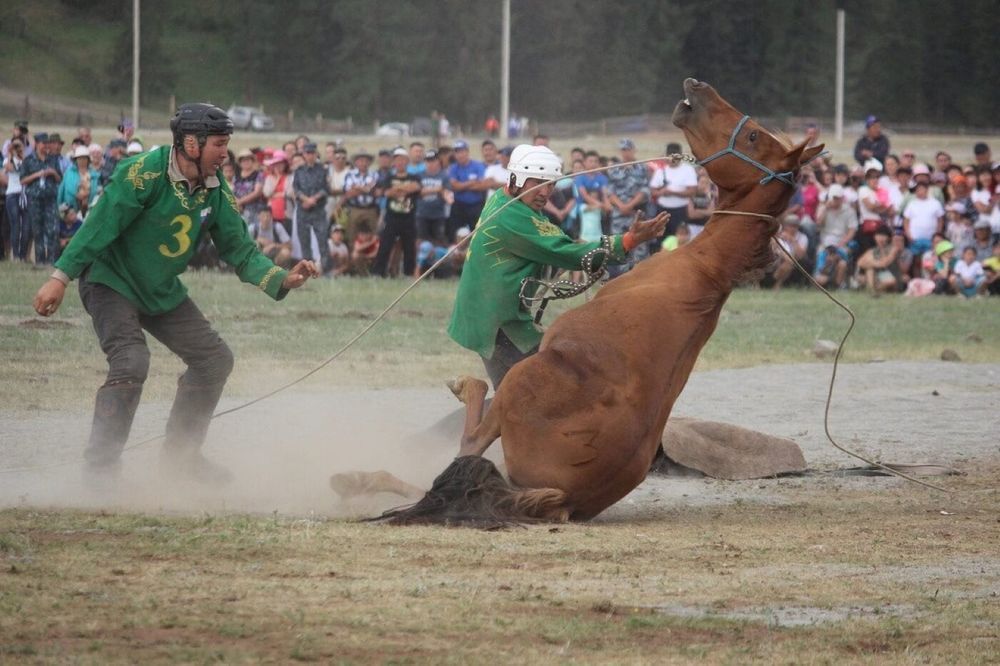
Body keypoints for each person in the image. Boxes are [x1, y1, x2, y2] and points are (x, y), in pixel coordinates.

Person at [31, 103, 320, 487]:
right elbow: (98, 227)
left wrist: (283, 278)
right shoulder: (142, 173)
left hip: (160, 289)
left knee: (215, 360)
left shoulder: (216, 187)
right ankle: (99, 470)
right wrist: (60, 277)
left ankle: (181, 458)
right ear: (190, 142)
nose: (225, 153)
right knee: (132, 362)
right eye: (219, 143)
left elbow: (240, 250)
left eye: (226, 144)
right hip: (110, 281)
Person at [446, 144, 667, 389]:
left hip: (490, 310)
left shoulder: (505, 197)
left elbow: (556, 243)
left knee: (523, 390)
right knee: (529, 393)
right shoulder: (514, 217)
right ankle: (473, 394)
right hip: (496, 319)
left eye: (551, 184)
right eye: (538, 183)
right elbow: (568, 252)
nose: (545, 192)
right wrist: (628, 241)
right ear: (516, 179)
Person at [372, 147, 421, 277]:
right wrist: (405, 189)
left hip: (409, 216)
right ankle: (378, 272)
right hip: (392, 216)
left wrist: (396, 189)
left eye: (402, 160)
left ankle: (408, 273)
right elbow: (386, 193)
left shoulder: (414, 176)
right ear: (394, 162)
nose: (400, 163)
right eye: (397, 160)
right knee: (385, 245)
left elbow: (416, 187)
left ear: (407, 161)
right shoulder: (388, 177)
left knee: (409, 247)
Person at [605, 139, 651, 275]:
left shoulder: (642, 168)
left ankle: (640, 275)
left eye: (627, 149)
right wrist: (621, 206)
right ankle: (620, 276)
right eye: (623, 150)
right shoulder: (614, 169)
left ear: (633, 150)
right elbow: (610, 192)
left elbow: (645, 190)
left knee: (640, 245)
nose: (625, 153)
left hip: (637, 213)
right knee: (619, 245)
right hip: (619, 214)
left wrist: (630, 205)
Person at [20, 132, 62, 264]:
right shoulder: (28, 160)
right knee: (37, 230)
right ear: (37, 144)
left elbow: (59, 178)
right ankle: (40, 261)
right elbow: (22, 180)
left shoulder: (53, 159)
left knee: (53, 230)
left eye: (47, 143)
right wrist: (37, 174)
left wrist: (53, 172)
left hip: (50, 199)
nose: (46, 146)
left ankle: (51, 261)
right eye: (44, 143)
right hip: (35, 200)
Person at [288, 142, 329, 267]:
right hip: (303, 210)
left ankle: (326, 268)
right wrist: (306, 200)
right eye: (307, 153)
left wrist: (313, 200)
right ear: (304, 155)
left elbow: (325, 189)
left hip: (318, 209)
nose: (310, 155)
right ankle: (308, 268)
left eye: (312, 153)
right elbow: (296, 188)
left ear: (316, 154)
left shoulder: (322, 170)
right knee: (304, 241)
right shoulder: (299, 171)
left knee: (322, 240)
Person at [649, 142, 697, 239]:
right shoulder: (660, 171)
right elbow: (653, 191)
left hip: (680, 211)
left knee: (679, 239)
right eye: (670, 156)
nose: (672, 159)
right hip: (662, 211)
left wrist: (673, 193)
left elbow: (692, 191)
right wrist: (661, 193)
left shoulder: (688, 170)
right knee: (661, 238)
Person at [447, 140, 487, 240]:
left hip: (475, 206)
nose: (460, 155)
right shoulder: (453, 168)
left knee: (477, 234)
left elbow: (481, 186)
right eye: (457, 152)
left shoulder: (478, 166)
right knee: (455, 234)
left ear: (467, 152)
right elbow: (454, 187)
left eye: (462, 151)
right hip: (459, 205)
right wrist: (471, 182)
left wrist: (461, 185)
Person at [415, 149, 450, 246]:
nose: (430, 163)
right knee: (420, 240)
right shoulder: (419, 175)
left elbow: (448, 195)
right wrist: (437, 189)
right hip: (422, 214)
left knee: (439, 241)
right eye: (428, 161)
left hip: (438, 215)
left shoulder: (444, 176)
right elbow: (417, 192)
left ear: (438, 161)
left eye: (433, 161)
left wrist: (442, 192)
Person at [57, 145, 100, 218]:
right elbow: (61, 191)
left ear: (88, 160)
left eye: (84, 158)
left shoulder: (95, 175)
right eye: (79, 158)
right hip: (70, 211)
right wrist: (60, 208)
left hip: (90, 212)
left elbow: (97, 191)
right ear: (75, 160)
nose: (82, 160)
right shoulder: (69, 173)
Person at [3, 136, 28, 261]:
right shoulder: (8, 160)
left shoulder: (27, 160)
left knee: (26, 227)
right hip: (12, 194)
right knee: (15, 225)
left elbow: (26, 169)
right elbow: (9, 168)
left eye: (19, 145)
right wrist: (10, 153)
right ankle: (16, 255)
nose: (17, 148)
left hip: (25, 194)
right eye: (15, 145)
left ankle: (23, 255)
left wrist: (22, 154)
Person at [856, 226, 901, 294]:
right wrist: (874, 263)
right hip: (877, 276)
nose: (880, 238)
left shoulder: (893, 249)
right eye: (878, 235)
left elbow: (884, 263)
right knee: (869, 269)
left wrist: (871, 262)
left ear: (888, 238)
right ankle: (871, 290)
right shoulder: (872, 250)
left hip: (892, 276)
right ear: (875, 237)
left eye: (883, 236)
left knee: (870, 267)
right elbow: (859, 263)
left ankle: (873, 288)